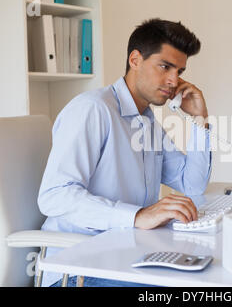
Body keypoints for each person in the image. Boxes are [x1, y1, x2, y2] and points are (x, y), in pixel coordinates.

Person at [37, 18, 212, 287]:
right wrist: (138, 216)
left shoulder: (147, 121)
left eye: (179, 70)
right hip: (78, 268)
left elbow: (192, 185)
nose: (174, 81)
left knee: (207, 275)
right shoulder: (93, 109)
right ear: (135, 60)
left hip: (126, 257)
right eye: (165, 66)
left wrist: (200, 121)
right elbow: (54, 196)